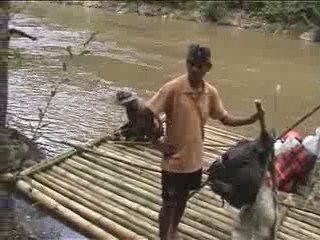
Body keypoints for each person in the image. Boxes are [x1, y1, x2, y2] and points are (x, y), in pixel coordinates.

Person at [144, 44, 264, 240]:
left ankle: (173, 230)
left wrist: (251, 120)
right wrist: (156, 142)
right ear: (187, 63)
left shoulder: (211, 93)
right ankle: (163, 237)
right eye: (191, 64)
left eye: (200, 66)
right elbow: (146, 113)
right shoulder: (172, 89)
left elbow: (225, 119)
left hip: (194, 161)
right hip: (173, 161)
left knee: (183, 199)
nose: (194, 69)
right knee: (168, 204)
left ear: (208, 67)